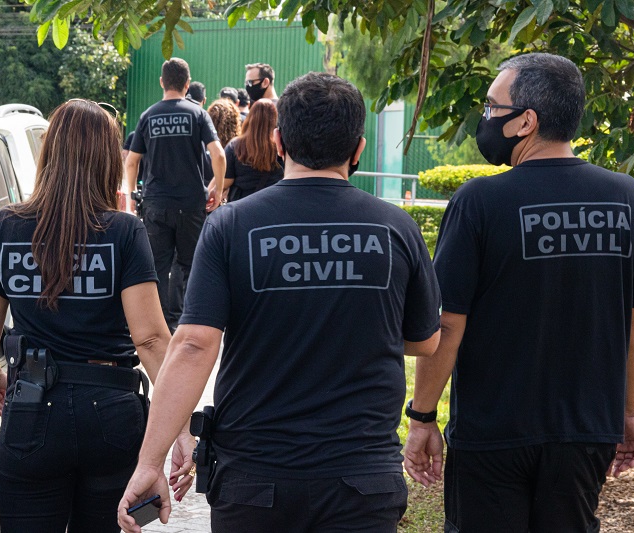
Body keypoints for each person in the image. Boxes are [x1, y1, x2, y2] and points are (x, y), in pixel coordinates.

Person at [118, 72, 442, 533]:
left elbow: (193, 345)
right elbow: (426, 341)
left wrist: (150, 462)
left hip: (255, 481)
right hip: (361, 481)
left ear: (278, 141)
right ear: (359, 149)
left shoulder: (231, 226)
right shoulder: (396, 228)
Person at [403, 53, 634, 532]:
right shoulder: (626, 198)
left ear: (526, 121)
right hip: (586, 431)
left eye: (492, 107)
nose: (485, 118)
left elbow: (450, 323)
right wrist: (629, 413)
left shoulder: (479, 201)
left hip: (492, 433)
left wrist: (421, 417)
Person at [0, 99, 195, 533]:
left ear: (49, 153)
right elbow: (150, 340)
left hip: (32, 414)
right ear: (107, 160)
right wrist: (180, 427)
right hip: (113, 415)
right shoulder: (124, 231)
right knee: (128, 520)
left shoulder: (7, 227)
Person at [124, 58, 226, 332]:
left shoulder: (147, 116)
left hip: (156, 204)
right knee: (190, 264)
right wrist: (216, 186)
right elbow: (218, 153)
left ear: (162, 82)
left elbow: (132, 162)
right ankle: (185, 322)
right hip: (192, 203)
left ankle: (160, 326)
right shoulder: (197, 114)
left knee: (158, 266)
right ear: (187, 84)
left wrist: (131, 196)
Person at [219, 98, 283, 202]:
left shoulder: (235, 146)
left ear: (250, 118)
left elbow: (225, 182)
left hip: (241, 206)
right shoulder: (280, 146)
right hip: (273, 204)